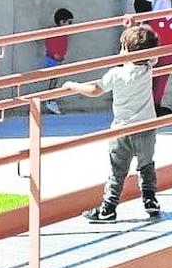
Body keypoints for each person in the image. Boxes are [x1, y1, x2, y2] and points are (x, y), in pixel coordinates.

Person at [65, 25, 162, 223]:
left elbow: (95, 90)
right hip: (146, 128)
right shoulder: (148, 67)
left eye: (122, 47)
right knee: (146, 165)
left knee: (117, 170)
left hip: (122, 130)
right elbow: (151, 51)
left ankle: (108, 208)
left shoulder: (116, 74)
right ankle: (150, 199)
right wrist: (134, 28)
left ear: (127, 51)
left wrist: (73, 86)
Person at [43, 8, 74, 115]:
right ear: (62, 22)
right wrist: (55, 54)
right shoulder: (55, 31)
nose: (71, 25)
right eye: (69, 22)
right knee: (53, 79)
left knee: (54, 79)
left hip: (57, 59)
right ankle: (50, 100)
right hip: (52, 59)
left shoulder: (64, 32)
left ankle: (51, 100)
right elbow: (49, 43)